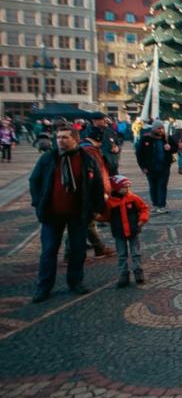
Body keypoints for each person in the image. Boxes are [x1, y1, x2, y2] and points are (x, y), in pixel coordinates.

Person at [29, 125, 105, 303]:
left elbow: (97, 185)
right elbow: (34, 180)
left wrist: (96, 208)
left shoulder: (86, 158)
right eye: (58, 137)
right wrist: (38, 202)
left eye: (65, 137)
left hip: (77, 213)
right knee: (49, 251)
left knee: (78, 250)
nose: (60, 141)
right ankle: (44, 287)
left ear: (75, 139)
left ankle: (75, 282)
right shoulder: (49, 158)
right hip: (52, 213)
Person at [71, 126, 116, 259]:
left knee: (86, 221)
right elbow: (98, 173)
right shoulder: (90, 151)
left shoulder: (84, 148)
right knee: (82, 221)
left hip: (84, 191)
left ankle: (98, 248)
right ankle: (73, 253)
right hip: (87, 191)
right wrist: (102, 190)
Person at [102, 175, 149, 288]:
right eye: (124, 187)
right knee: (122, 254)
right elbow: (106, 216)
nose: (127, 189)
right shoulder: (110, 202)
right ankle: (123, 274)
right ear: (116, 188)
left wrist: (142, 220)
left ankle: (138, 272)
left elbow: (144, 208)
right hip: (119, 232)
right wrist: (97, 217)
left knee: (136, 253)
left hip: (133, 231)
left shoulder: (133, 198)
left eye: (128, 187)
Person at [135, 120, 177, 214]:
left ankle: (162, 205)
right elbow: (139, 154)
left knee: (162, 186)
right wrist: (143, 167)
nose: (161, 130)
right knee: (153, 186)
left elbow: (175, 148)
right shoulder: (146, 138)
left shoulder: (166, 138)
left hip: (164, 166)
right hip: (150, 167)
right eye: (159, 128)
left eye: (162, 128)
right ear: (154, 129)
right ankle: (155, 204)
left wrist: (170, 148)